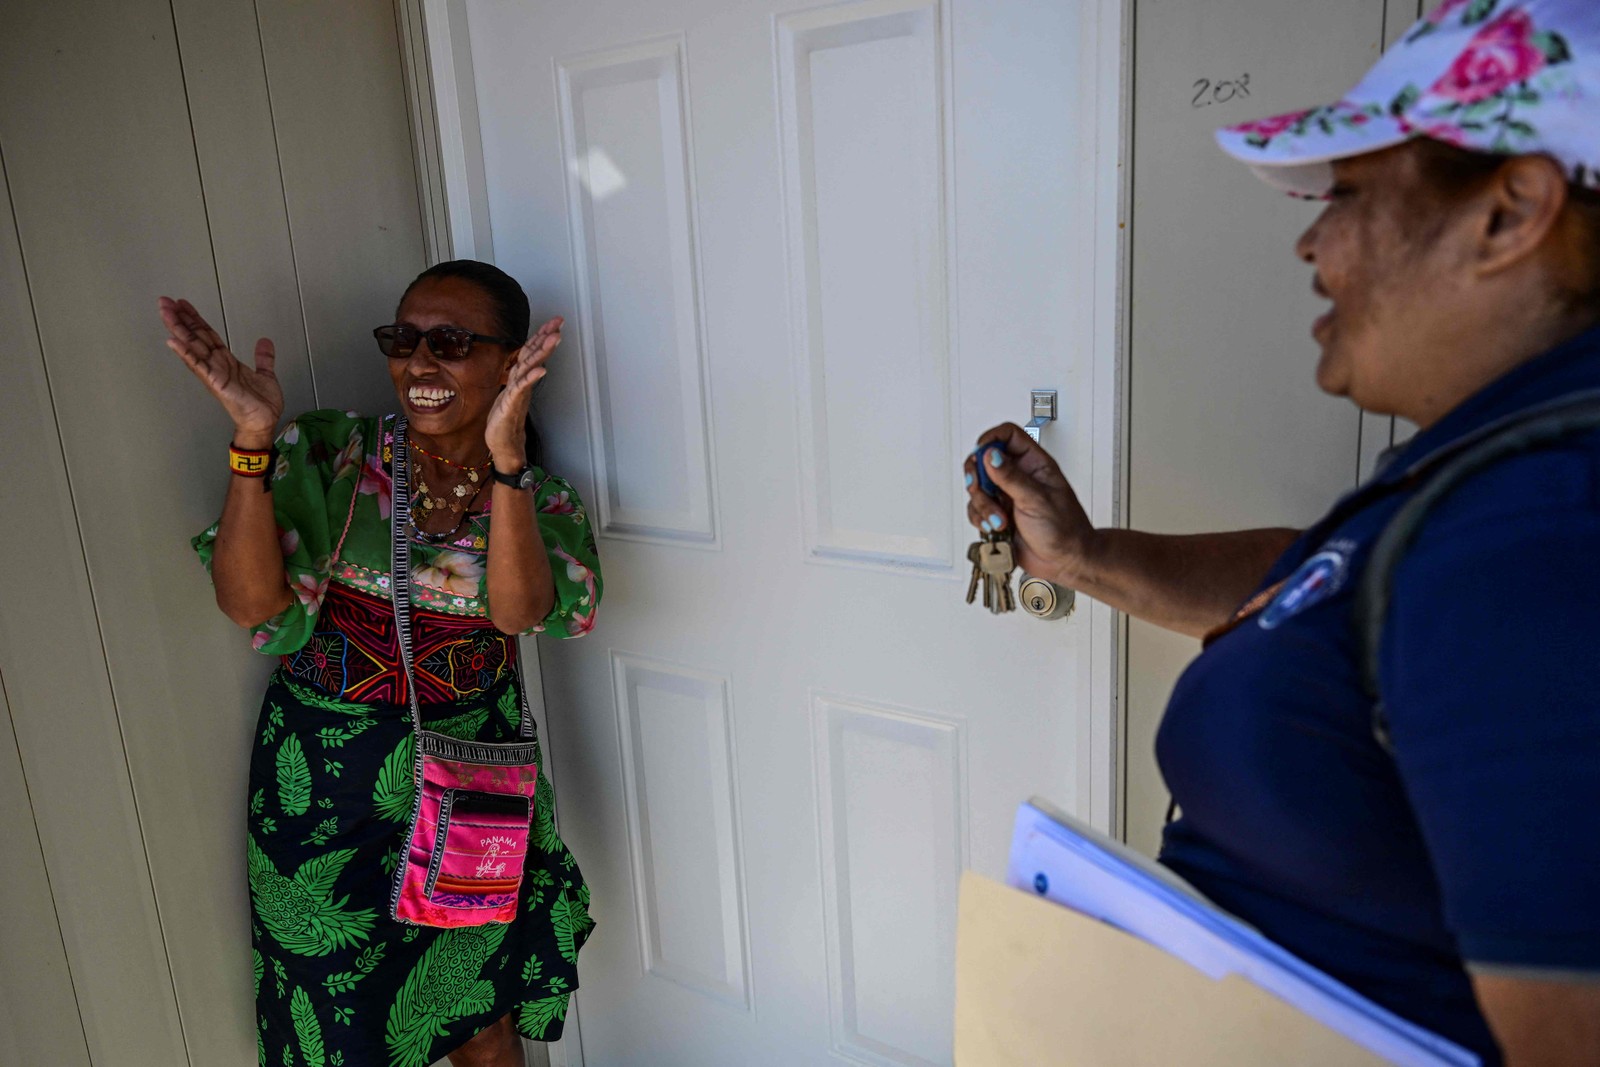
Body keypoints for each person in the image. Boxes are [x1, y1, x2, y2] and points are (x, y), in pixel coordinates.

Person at [966, 1, 1600, 1063]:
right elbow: (1332, 594)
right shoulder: (1488, 463)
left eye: (1349, 194)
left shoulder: (1535, 529)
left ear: (1510, 211)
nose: (1311, 238)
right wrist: (1082, 554)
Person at [165, 259, 602, 1067]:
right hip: (325, 800)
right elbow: (250, 604)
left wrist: (505, 464)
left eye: (450, 341)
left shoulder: (540, 501)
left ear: (510, 364)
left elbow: (520, 612)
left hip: (472, 785)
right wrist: (254, 441)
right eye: (404, 340)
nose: (419, 362)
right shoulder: (337, 454)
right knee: (337, 1029)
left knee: (480, 1011)